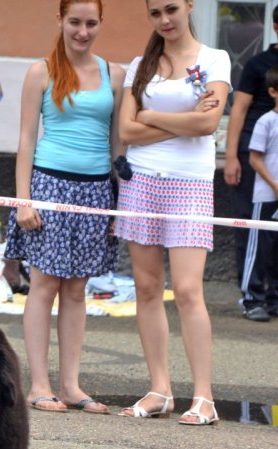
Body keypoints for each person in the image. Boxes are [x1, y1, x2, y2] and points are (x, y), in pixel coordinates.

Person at [4, 0, 124, 414]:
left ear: (100, 24)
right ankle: (39, 384)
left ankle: (71, 385)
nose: (83, 31)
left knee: (77, 288)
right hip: (49, 186)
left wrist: (117, 204)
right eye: (75, 22)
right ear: (60, 20)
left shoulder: (114, 74)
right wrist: (24, 200)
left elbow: (116, 146)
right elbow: (25, 141)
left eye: (91, 23)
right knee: (45, 285)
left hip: (94, 192)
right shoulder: (41, 72)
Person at [114, 0, 230, 425]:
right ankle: (160, 389)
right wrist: (183, 117)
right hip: (141, 181)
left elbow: (208, 125)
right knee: (146, 288)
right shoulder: (140, 64)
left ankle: (204, 397)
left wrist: (151, 115)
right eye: (155, 13)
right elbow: (126, 131)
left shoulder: (215, 59)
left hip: (190, 183)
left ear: (189, 7)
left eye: (171, 9)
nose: (164, 20)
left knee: (186, 290)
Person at [224, 6, 278, 319]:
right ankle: (252, 297)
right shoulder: (259, 64)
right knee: (253, 227)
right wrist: (231, 157)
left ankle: (274, 297)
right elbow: (239, 110)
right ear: (274, 26)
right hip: (254, 157)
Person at [240, 64, 278, 320]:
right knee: (258, 250)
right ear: (273, 91)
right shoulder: (266, 121)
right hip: (266, 197)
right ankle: (252, 298)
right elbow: (255, 159)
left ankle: (275, 299)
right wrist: (275, 186)